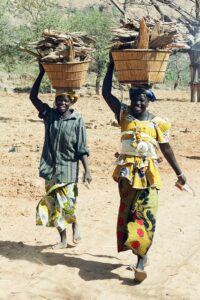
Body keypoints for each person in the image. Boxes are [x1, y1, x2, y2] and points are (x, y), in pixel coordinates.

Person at [102, 54, 186, 283]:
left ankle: (141, 258)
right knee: (129, 211)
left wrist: (180, 173)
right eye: (135, 99)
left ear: (148, 101)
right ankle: (139, 251)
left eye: (142, 100)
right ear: (130, 100)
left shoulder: (158, 123)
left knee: (145, 214)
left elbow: (166, 149)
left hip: (149, 175)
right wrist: (110, 66)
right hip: (127, 175)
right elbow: (105, 94)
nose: (138, 103)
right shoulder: (123, 114)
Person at [29, 64, 92, 249]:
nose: (62, 104)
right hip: (50, 168)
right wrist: (41, 72)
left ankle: (75, 224)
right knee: (55, 206)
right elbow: (33, 97)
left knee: (68, 205)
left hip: (69, 170)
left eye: (65, 101)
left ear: (71, 102)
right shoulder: (49, 115)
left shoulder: (77, 120)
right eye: (59, 101)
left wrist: (87, 170)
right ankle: (63, 240)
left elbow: (82, 148)